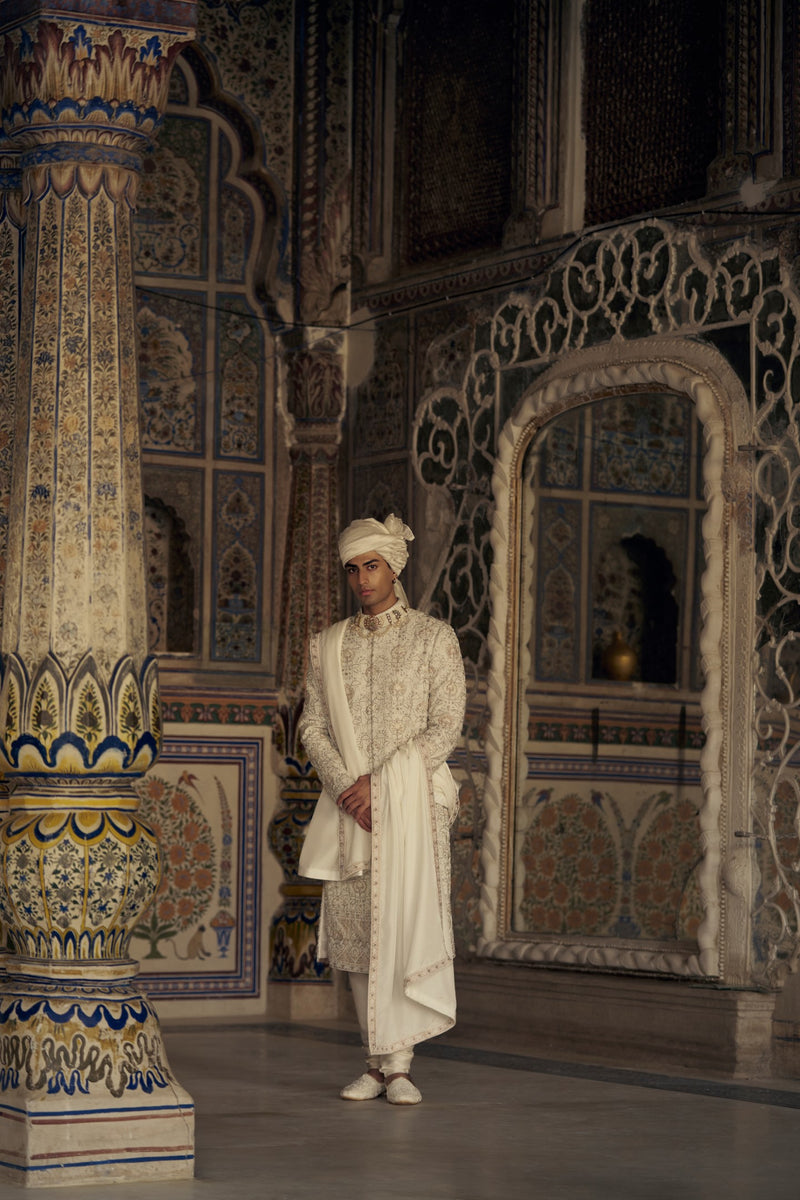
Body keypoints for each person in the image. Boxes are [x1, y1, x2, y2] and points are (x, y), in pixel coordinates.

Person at [298, 513, 466, 1105]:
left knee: (403, 923)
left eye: (371, 566)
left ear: (393, 566)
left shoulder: (433, 638)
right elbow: (312, 725)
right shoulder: (327, 645)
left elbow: (446, 725)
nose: (362, 579)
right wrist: (349, 787)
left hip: (413, 805)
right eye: (352, 569)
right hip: (350, 811)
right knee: (358, 933)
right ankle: (375, 1062)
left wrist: (382, 785)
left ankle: (401, 1064)